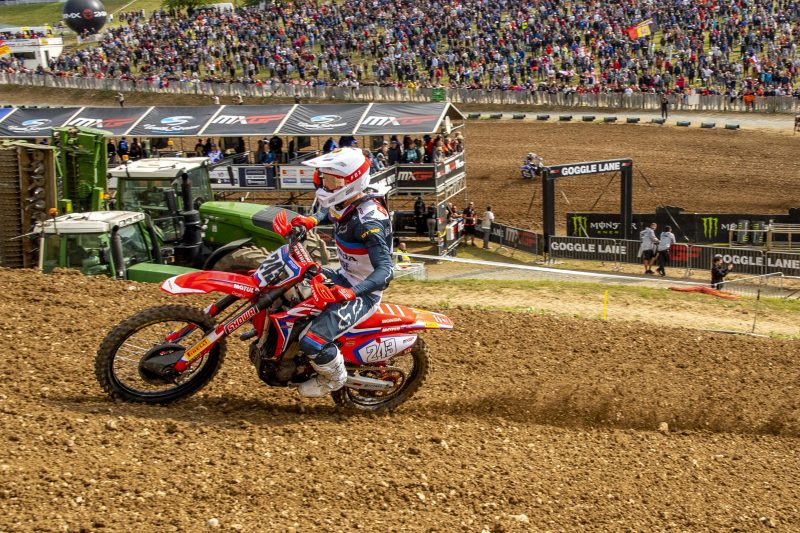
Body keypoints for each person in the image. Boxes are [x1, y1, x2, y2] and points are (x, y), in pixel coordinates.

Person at [286, 147, 393, 397]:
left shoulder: (369, 222)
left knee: (311, 341)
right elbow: (330, 210)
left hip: (364, 293)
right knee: (289, 279)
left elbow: (386, 272)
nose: (326, 185)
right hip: (342, 276)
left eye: (333, 181)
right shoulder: (346, 200)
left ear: (352, 182)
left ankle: (334, 379)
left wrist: (351, 292)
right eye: (325, 179)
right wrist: (312, 220)